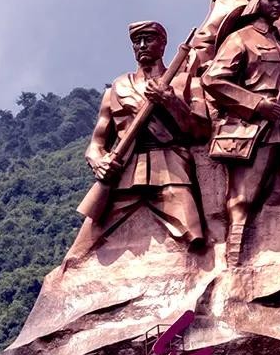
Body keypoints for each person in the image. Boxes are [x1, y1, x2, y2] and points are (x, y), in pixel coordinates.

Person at [68, 21, 206, 260]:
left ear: (163, 44)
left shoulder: (186, 82)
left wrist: (170, 101)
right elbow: (96, 143)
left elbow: (200, 131)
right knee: (80, 250)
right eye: (136, 41)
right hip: (125, 171)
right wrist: (99, 162)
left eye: (148, 39)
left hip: (171, 168)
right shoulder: (116, 89)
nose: (141, 45)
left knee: (195, 237)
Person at [201, 0, 280, 265]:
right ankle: (234, 259)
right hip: (254, 127)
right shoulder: (240, 38)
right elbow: (212, 79)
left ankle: (274, 258)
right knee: (243, 197)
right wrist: (256, 104)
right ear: (257, 3)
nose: (277, 4)